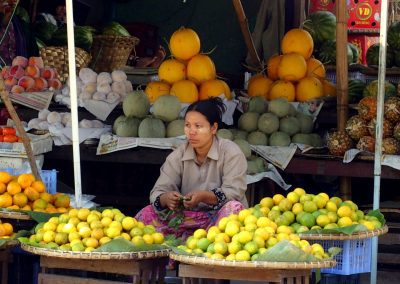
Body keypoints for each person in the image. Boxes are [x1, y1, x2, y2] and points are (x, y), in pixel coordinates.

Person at [135, 97, 248, 240]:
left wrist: (204, 196)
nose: (191, 132)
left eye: (198, 126)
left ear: (213, 128)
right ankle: (162, 259)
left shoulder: (231, 152)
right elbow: (159, 190)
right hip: (185, 219)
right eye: (188, 125)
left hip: (218, 220)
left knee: (233, 209)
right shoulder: (178, 155)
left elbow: (234, 192)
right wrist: (166, 198)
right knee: (147, 214)